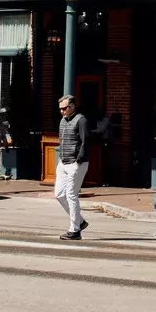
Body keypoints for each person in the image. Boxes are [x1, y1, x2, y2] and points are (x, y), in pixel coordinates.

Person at [54, 95, 89, 240]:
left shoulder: (81, 120)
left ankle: (74, 230)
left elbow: (85, 141)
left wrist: (79, 159)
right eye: (60, 109)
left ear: (73, 106)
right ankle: (80, 221)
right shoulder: (63, 120)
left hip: (76, 163)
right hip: (63, 162)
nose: (62, 111)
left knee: (71, 195)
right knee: (59, 194)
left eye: (64, 108)